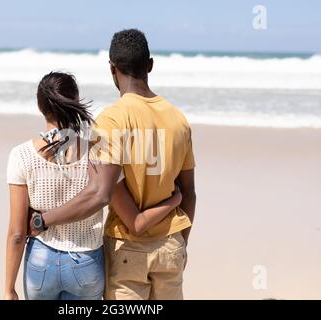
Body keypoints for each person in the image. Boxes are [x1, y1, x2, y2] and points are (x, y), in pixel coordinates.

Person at [29, 29, 196, 300]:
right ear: (150, 65)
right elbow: (188, 193)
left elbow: (99, 193)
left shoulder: (112, 120)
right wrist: (182, 243)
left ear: (112, 68)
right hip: (171, 245)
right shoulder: (179, 120)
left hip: (127, 249)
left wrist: (42, 220)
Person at [4, 71, 184, 300]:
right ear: (75, 103)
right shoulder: (100, 151)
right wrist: (174, 199)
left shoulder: (22, 155)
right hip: (86, 264)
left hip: (41, 262)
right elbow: (133, 219)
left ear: (41, 107)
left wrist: (9, 289)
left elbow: (18, 233)